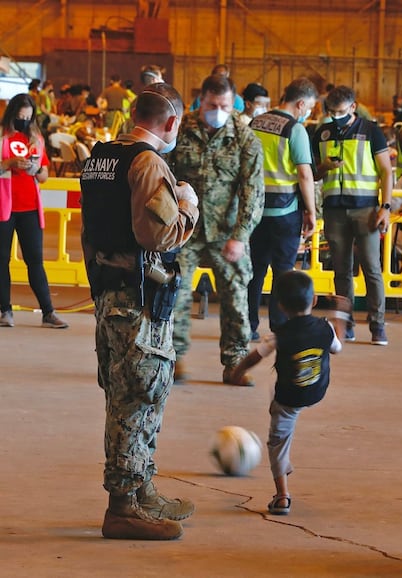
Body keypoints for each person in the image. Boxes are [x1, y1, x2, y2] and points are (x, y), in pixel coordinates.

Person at [80, 83, 199, 540]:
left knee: (132, 393)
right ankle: (123, 505)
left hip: (110, 293)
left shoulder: (99, 158)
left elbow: (91, 231)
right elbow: (159, 235)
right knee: (137, 397)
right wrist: (187, 203)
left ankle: (141, 487)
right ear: (170, 123)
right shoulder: (147, 162)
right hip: (139, 300)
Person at [169, 74, 264, 386]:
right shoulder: (181, 128)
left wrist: (241, 235)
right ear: (202, 101)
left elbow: (253, 190)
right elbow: (163, 173)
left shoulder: (244, 137)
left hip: (227, 230)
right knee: (174, 292)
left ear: (233, 102)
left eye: (224, 105)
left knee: (237, 295)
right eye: (212, 105)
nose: (218, 110)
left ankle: (236, 361)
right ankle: (174, 357)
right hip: (185, 227)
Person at [231, 270, 344, 515]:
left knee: (277, 442)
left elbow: (254, 357)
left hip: (289, 398)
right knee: (281, 396)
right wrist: (340, 318)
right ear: (314, 300)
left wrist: (236, 372)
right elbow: (337, 349)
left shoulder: (279, 335)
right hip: (316, 391)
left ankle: (282, 496)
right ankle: (284, 467)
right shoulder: (325, 329)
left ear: (280, 305)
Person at [312, 85, 393, 345]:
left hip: (366, 209)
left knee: (372, 268)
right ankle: (345, 325)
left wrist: (386, 207)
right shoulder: (322, 132)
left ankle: (377, 325)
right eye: (332, 112)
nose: (336, 116)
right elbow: (313, 173)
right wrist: (324, 167)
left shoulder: (371, 131)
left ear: (353, 108)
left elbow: (386, 171)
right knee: (341, 270)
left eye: (341, 111)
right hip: (334, 210)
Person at [248, 77, 318, 340]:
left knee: (255, 271)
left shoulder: (256, 123)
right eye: (309, 107)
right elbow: (305, 175)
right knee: (283, 271)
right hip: (285, 213)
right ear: (300, 103)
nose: (308, 112)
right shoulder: (295, 129)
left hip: (255, 212)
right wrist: (311, 210)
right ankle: (279, 326)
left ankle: (249, 324)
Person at [0, 93, 68, 329]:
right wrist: (8, 164)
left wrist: (35, 169)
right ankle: (5, 311)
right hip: (4, 207)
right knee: (2, 261)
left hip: (30, 206)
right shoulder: (2, 136)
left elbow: (45, 175)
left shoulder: (36, 138)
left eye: (28, 118)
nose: (24, 122)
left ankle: (48, 311)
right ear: (12, 115)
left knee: (35, 261)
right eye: (20, 117)